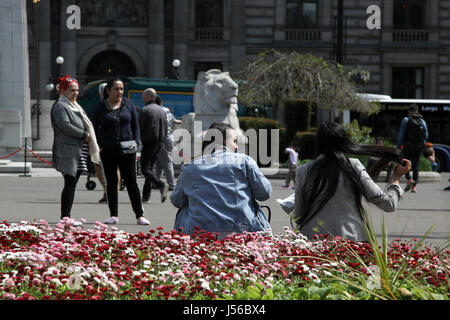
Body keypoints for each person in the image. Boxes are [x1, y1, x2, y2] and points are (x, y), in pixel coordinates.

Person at [293, 122, 411, 242]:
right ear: (344, 142)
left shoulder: (303, 171)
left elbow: (298, 216)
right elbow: (388, 204)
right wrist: (396, 178)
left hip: (312, 240)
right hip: (351, 240)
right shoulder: (353, 166)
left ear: (317, 144)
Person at [170, 122, 272, 239]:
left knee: (186, 208)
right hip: (242, 229)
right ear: (223, 141)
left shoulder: (191, 167)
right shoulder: (245, 161)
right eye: (234, 141)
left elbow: (177, 200)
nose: (236, 146)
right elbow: (264, 193)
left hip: (200, 231)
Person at [92, 78, 149, 225]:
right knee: (111, 182)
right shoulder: (100, 106)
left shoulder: (128, 104)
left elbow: (135, 126)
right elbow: (93, 127)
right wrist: (99, 144)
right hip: (108, 150)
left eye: (122, 89)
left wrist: (137, 143)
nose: (120, 92)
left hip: (128, 149)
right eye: (116, 89)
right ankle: (113, 215)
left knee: (131, 182)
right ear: (108, 90)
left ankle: (139, 215)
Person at [51, 75, 100, 225]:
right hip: (68, 151)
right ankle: (65, 217)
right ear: (63, 90)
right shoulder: (60, 105)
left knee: (72, 183)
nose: (76, 93)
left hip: (78, 150)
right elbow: (64, 125)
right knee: (70, 183)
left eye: (77, 90)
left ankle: (66, 216)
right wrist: (84, 134)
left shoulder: (73, 105)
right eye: (72, 90)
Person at [139, 88, 169, 203]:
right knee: (149, 168)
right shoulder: (162, 110)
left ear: (147, 97)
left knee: (145, 168)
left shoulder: (145, 110)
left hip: (148, 141)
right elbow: (166, 128)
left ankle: (161, 185)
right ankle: (146, 196)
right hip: (160, 142)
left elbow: (140, 127)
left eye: (143, 96)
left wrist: (137, 141)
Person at [94, 82, 121, 203]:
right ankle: (109, 191)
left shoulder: (106, 106)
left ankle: (111, 192)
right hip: (103, 141)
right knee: (102, 166)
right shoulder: (103, 105)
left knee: (107, 166)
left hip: (107, 141)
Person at [396, 104, 429, 193]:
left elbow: (401, 135)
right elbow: (426, 136)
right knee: (415, 167)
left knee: (404, 163)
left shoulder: (406, 120)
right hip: (418, 148)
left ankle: (409, 179)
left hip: (408, 146)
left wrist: (398, 147)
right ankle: (414, 188)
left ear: (409, 111)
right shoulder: (422, 121)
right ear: (417, 111)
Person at [154, 95, 181, 191]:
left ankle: (171, 184)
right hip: (169, 137)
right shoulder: (167, 110)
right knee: (159, 163)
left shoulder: (157, 111)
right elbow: (175, 121)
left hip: (162, 138)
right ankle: (156, 182)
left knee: (166, 162)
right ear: (161, 102)